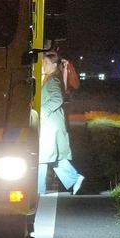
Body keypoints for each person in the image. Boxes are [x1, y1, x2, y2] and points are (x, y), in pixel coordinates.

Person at [38, 51, 85, 195]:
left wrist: (43, 112)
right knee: (50, 155)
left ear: (53, 65)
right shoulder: (49, 78)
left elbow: (57, 99)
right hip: (51, 123)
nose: (43, 65)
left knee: (43, 155)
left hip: (50, 123)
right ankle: (74, 178)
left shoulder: (53, 80)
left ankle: (38, 189)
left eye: (45, 62)